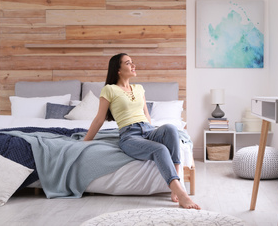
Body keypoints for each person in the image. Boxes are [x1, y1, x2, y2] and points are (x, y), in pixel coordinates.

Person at [84, 53, 200, 210]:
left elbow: (147, 115)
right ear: (118, 69)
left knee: (171, 128)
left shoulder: (139, 89)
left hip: (148, 130)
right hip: (129, 136)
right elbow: (99, 119)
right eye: (128, 63)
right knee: (160, 149)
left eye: (132, 62)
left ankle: (175, 183)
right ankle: (181, 193)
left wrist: (152, 133)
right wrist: (85, 142)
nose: (133, 65)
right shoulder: (109, 90)